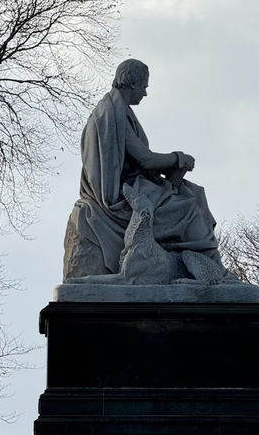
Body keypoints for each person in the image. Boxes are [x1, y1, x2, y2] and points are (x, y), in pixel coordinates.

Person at [63, 58, 224, 279]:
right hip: (119, 196)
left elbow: (135, 161)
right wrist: (178, 158)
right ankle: (212, 271)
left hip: (129, 183)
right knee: (190, 204)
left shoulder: (114, 108)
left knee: (194, 192)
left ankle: (210, 268)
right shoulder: (113, 112)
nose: (145, 94)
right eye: (144, 87)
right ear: (132, 83)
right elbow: (145, 159)